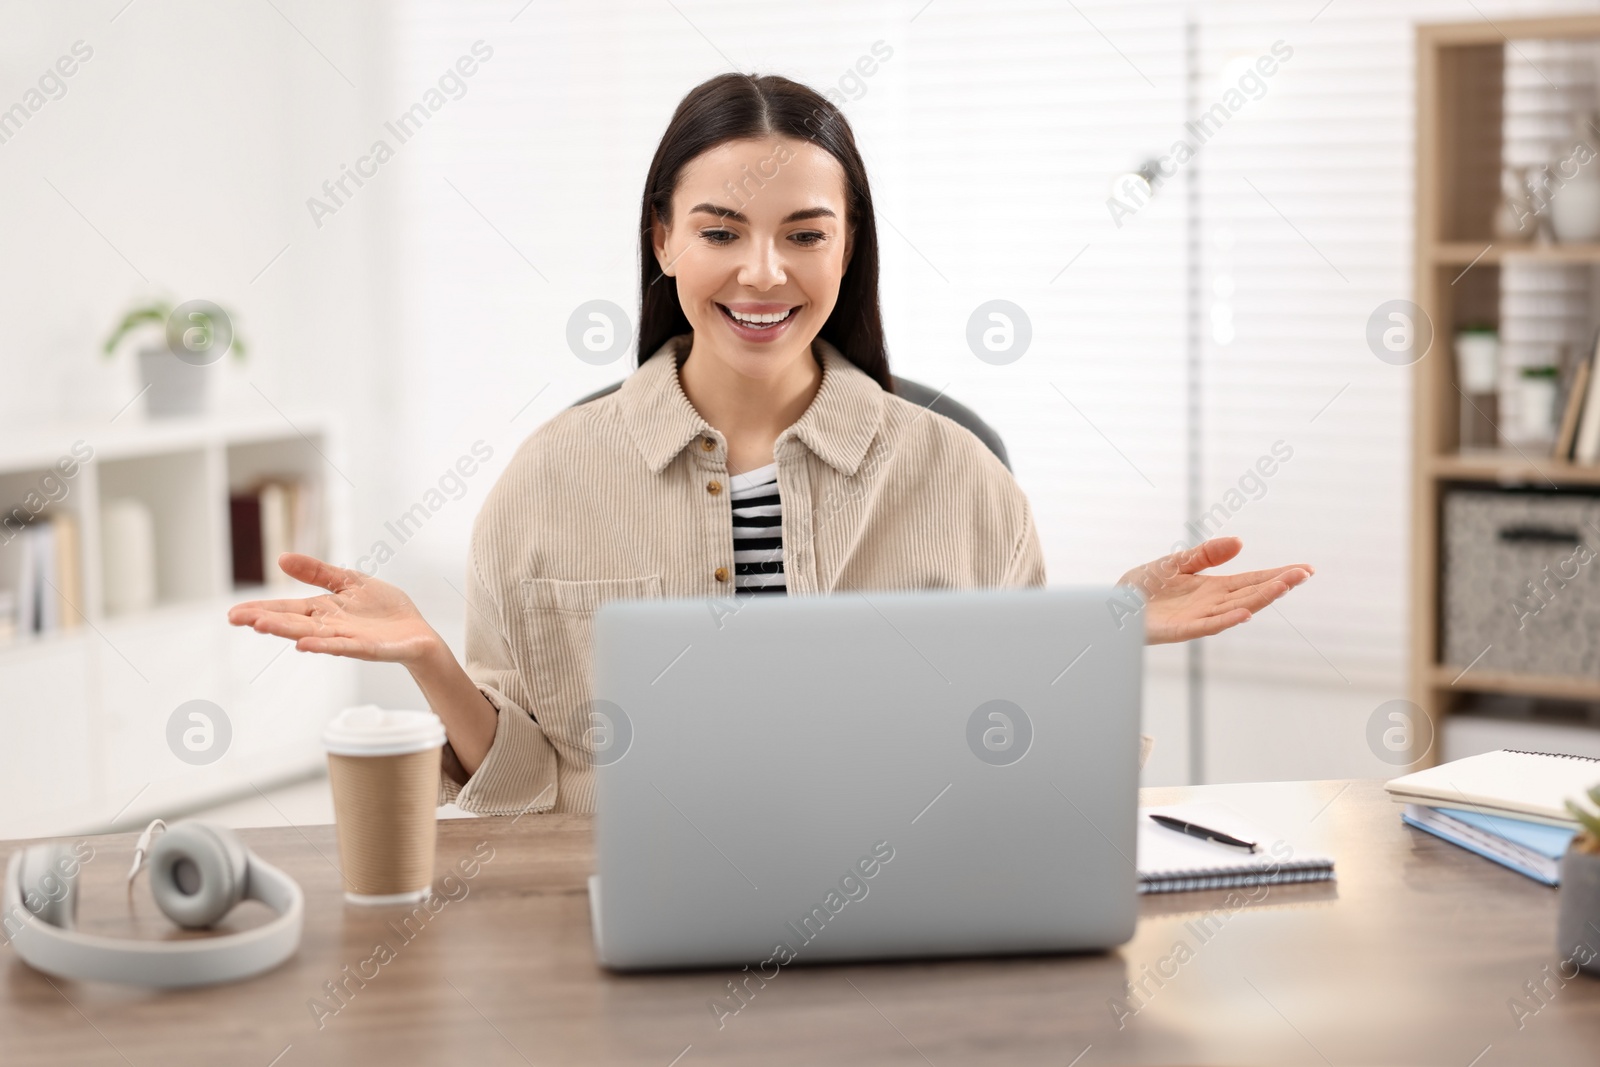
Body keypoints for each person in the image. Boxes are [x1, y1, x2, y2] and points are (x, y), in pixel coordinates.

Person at [227, 73, 1312, 816]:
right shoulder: (546, 478)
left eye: (804, 234)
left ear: (849, 249)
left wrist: (1096, 638)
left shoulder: (959, 477)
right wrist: (429, 657)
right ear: (662, 239)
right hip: (604, 917)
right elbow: (521, 781)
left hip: (900, 914)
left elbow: (1016, 758)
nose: (761, 273)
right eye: (718, 232)